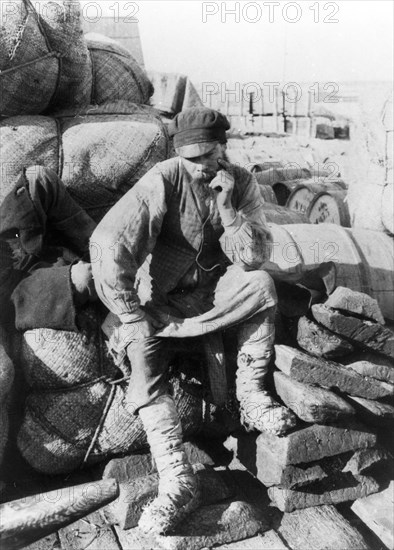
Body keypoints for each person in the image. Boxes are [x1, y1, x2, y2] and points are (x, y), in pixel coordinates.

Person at [90, 107, 297, 534]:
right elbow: (109, 242)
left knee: (260, 285)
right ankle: (177, 479)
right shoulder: (164, 178)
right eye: (192, 158)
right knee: (142, 354)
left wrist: (228, 211)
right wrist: (129, 311)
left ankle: (252, 397)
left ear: (224, 148)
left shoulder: (240, 182)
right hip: (159, 300)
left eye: (209, 156)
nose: (201, 166)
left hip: (213, 293)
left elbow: (255, 256)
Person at [0, 165, 97, 333]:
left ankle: (100, 247)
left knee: (38, 178)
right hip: (14, 291)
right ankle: (112, 266)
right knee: (86, 277)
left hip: (8, 247)